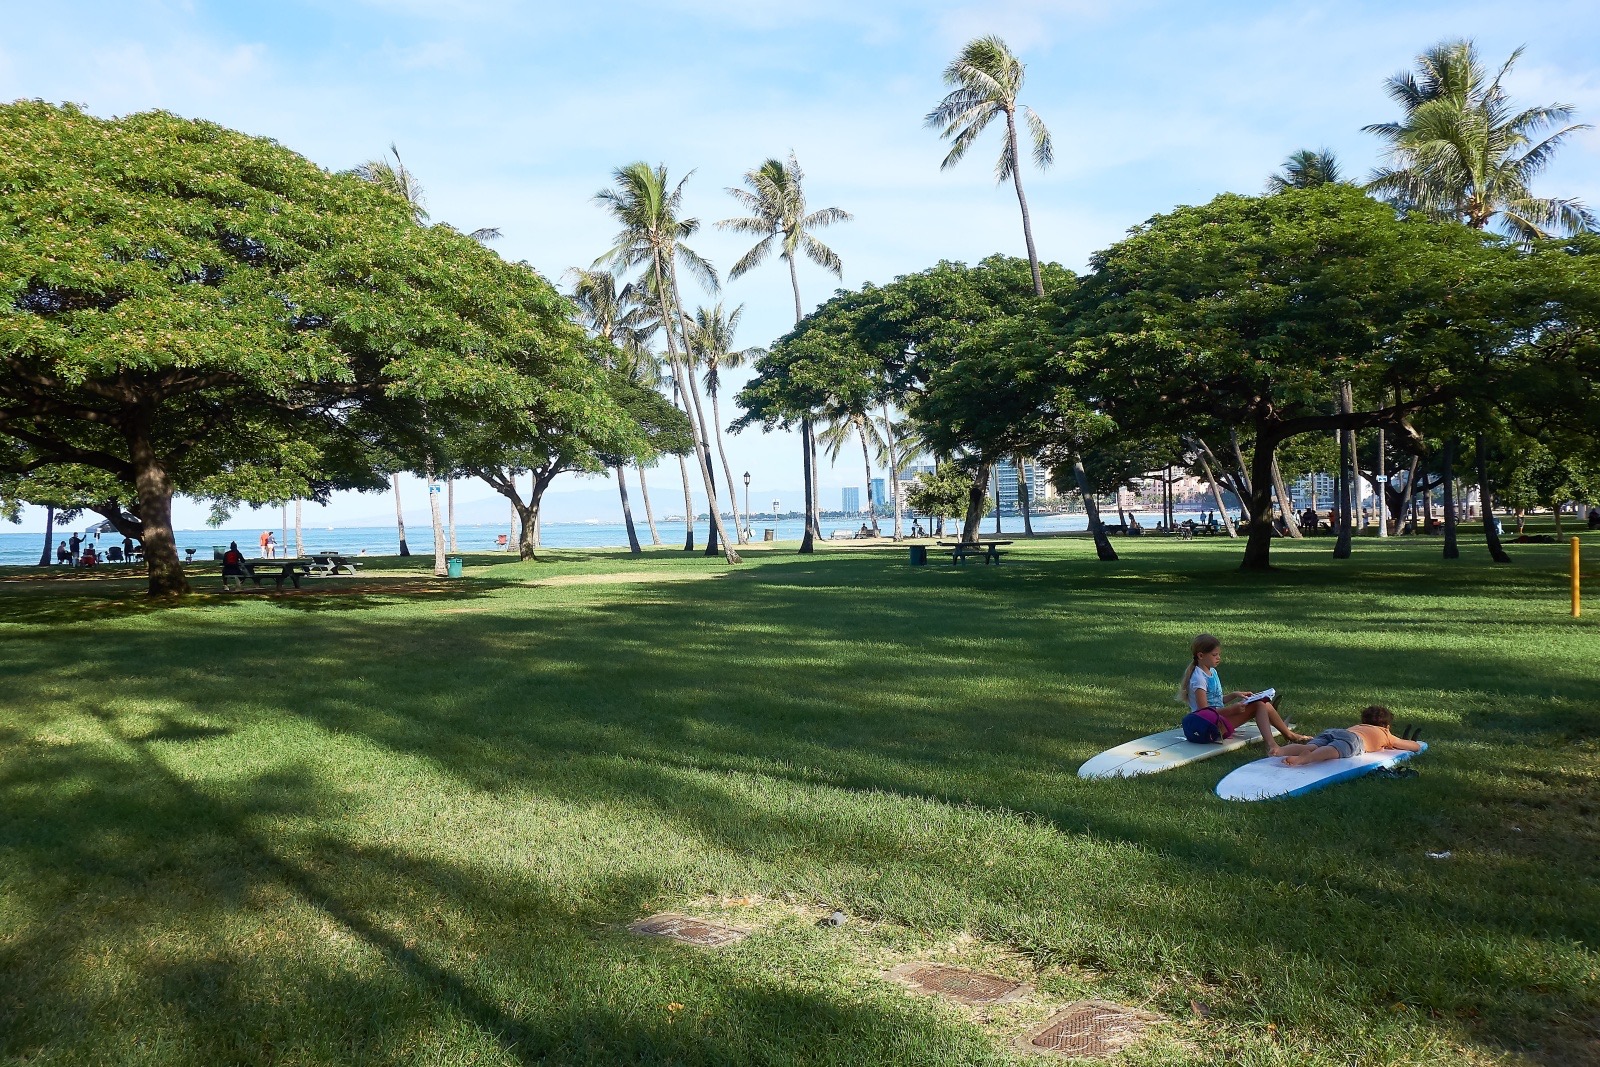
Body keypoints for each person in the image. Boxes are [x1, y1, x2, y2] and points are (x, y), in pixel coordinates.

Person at [1179, 633, 1308, 756]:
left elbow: (1215, 701)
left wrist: (1234, 695)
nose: (1219, 658)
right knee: (1259, 705)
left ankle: (1288, 735)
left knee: (1263, 703)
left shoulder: (1211, 671)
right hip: (1210, 728)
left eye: (1219, 654)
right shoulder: (1199, 679)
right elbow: (1205, 713)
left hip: (1217, 722)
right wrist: (1232, 709)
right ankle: (1273, 745)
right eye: (1214, 655)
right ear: (1201, 655)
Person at [1277, 705, 1422, 766]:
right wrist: (1416, 744)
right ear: (1387, 726)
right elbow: (1412, 746)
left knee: (1314, 744)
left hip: (1336, 731)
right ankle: (1307, 758)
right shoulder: (1385, 733)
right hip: (1354, 740)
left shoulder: (1359, 727)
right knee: (1334, 750)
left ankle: (1280, 750)